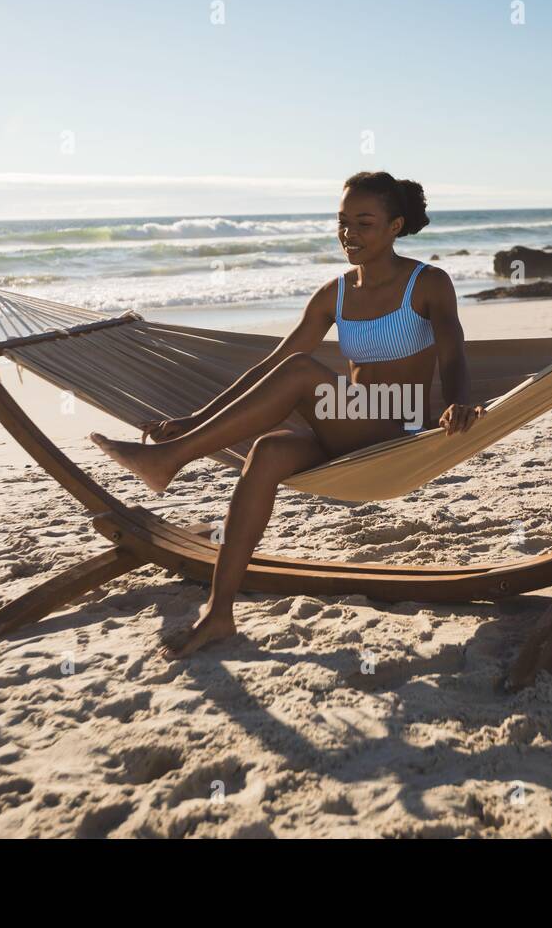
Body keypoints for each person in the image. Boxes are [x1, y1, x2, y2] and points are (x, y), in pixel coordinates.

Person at [91, 171, 484, 656]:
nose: (349, 234)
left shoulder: (428, 283)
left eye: (364, 222)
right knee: (268, 451)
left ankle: (170, 459)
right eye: (342, 222)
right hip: (347, 424)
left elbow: (454, 351)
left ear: (394, 226)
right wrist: (196, 418)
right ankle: (219, 613)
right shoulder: (334, 294)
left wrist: (459, 403)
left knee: (302, 372)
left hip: (399, 424)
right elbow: (269, 366)